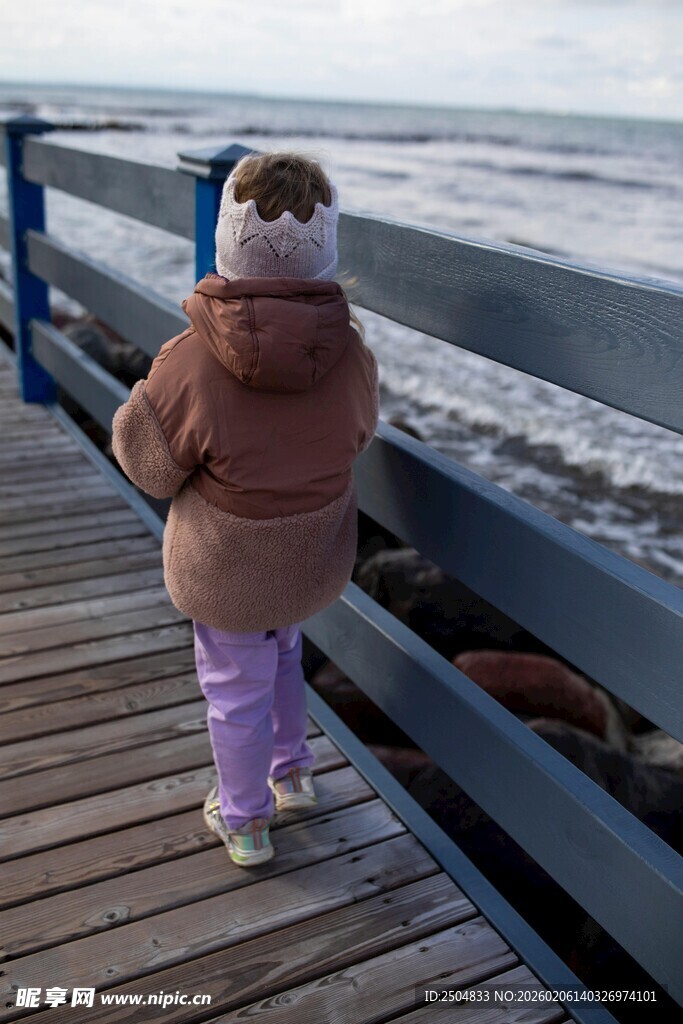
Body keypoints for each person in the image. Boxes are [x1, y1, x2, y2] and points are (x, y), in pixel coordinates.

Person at [112, 152, 379, 868]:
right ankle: (290, 773)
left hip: (229, 566)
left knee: (234, 687)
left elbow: (149, 465)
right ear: (324, 249)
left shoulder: (192, 358)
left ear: (229, 240)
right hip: (308, 554)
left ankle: (245, 819)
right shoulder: (350, 352)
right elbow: (358, 432)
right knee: (284, 652)